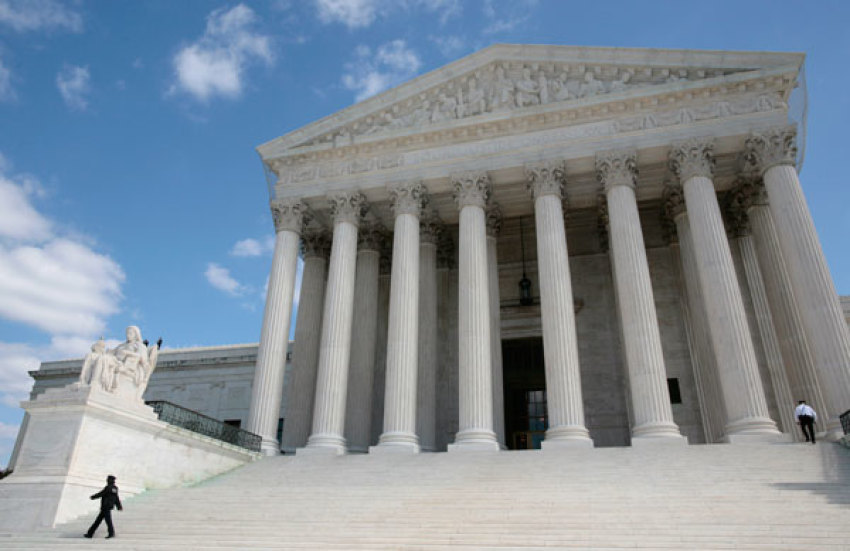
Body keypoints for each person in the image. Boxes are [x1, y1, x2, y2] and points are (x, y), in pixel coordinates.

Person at [84, 475, 123, 539]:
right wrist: (119, 506)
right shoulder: (115, 488)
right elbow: (116, 498)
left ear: (110, 480)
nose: (107, 480)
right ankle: (90, 533)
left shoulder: (108, 487)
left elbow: (101, 493)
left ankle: (111, 533)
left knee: (107, 521)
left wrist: (93, 497)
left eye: (108, 479)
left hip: (106, 506)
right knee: (98, 521)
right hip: (108, 506)